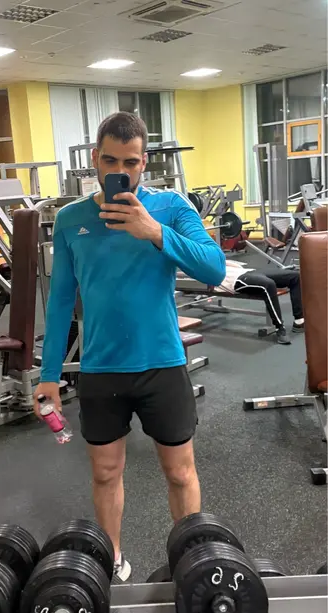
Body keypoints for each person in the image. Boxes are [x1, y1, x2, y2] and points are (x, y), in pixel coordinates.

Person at [34, 112, 226, 581]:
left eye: (131, 162)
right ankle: (112, 561)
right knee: (105, 472)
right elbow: (60, 301)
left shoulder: (171, 207)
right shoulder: (71, 219)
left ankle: (190, 564)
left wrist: (154, 231)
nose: (120, 170)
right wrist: (49, 374)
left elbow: (215, 268)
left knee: (180, 472)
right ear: (95, 158)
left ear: (144, 162)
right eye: (111, 160)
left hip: (162, 363)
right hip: (102, 368)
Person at [216, 260, 304, 344]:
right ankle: (279, 327)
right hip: (235, 280)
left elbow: (228, 263)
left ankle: (299, 321)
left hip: (248, 271)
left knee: (295, 276)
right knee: (269, 285)